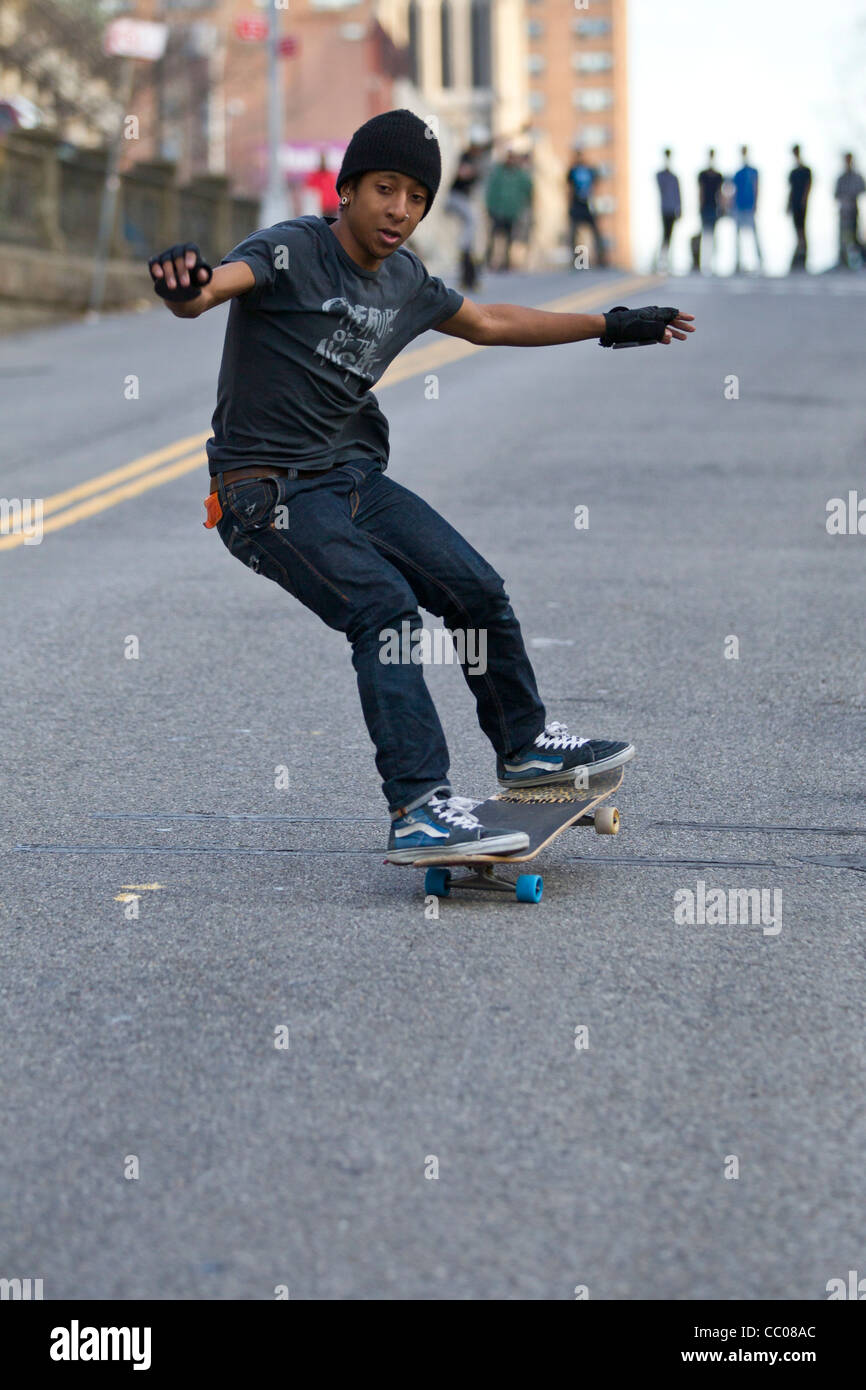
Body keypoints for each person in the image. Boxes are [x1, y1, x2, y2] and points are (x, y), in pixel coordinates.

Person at [147, 109, 695, 862]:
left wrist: (610, 323)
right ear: (347, 189)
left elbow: (495, 320)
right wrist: (188, 284)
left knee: (474, 586)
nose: (399, 210)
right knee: (387, 612)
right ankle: (420, 807)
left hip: (348, 478)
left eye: (416, 197)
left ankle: (526, 746)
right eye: (383, 188)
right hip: (264, 496)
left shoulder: (407, 280)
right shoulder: (291, 249)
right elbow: (212, 290)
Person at [444, 134, 489, 291]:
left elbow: (495, 142)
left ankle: (469, 271)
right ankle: (465, 248)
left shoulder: (479, 157)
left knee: (472, 231)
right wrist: (471, 171)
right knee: (472, 224)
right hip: (456, 198)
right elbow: (463, 173)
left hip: (463, 200)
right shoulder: (466, 157)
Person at [484, 148, 533, 272]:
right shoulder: (499, 172)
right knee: (494, 236)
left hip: (512, 211)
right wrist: (490, 207)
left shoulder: (519, 173)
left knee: (509, 238)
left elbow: (528, 188)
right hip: (498, 210)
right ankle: (489, 261)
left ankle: (505, 262)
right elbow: (491, 190)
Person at [566, 146, 606, 268]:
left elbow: (596, 181)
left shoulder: (589, 170)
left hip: (588, 204)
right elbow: (568, 187)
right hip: (576, 205)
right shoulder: (572, 171)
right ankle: (578, 261)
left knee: (595, 232)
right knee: (574, 233)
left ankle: (601, 258)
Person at [732, 145, 763, 274]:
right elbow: (733, 190)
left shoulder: (753, 171)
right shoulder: (738, 172)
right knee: (738, 236)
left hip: (749, 207)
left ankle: (760, 261)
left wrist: (756, 203)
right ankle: (738, 262)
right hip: (739, 207)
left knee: (754, 235)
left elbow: (756, 187)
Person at [834, 152, 865, 268]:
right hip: (843, 212)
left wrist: (851, 196)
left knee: (854, 236)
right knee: (843, 236)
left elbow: (862, 189)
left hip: (853, 211)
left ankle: (857, 261)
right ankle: (843, 260)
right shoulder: (841, 178)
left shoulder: (857, 177)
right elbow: (836, 194)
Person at [654, 149, 680, 273]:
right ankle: (660, 262)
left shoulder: (674, 177)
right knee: (665, 236)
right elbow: (660, 186)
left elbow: (678, 193)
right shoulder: (661, 175)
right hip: (665, 209)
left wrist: (679, 208)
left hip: (672, 209)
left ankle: (667, 262)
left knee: (670, 236)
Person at [697, 150, 723, 274]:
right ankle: (705, 263)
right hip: (706, 208)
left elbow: (720, 192)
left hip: (713, 208)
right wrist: (700, 207)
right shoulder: (702, 175)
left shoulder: (718, 176)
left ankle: (712, 263)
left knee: (713, 237)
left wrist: (722, 207)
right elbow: (701, 191)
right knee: (705, 237)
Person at [787, 144, 812, 272]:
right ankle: (799, 254)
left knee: (802, 230)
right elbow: (790, 189)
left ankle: (803, 255)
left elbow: (808, 186)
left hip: (801, 205)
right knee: (797, 230)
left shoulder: (806, 170)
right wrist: (788, 204)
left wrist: (804, 201)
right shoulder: (793, 172)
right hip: (794, 205)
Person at [303, 153, 341, 218]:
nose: (323, 163)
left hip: (331, 207)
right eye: (322, 160)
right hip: (320, 208)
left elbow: (335, 191)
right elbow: (310, 193)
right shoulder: (314, 177)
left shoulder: (330, 176)